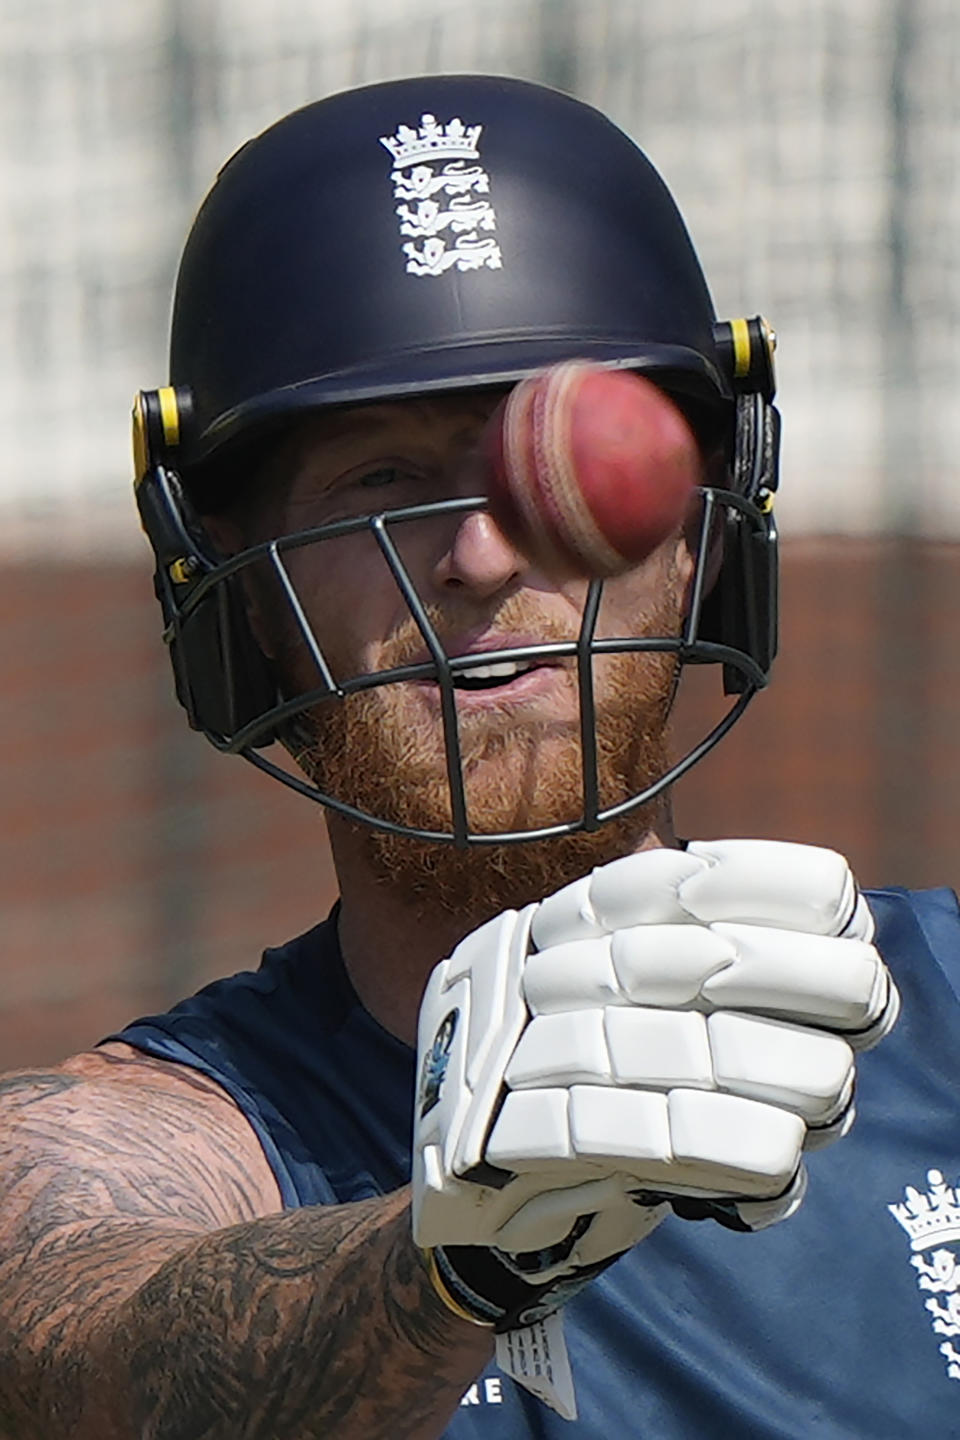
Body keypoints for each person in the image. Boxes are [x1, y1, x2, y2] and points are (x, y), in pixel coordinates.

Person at [0, 73, 957, 1440]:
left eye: (561, 463)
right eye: (378, 481)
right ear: (242, 602)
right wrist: (449, 1258)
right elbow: (103, 1347)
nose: (482, 558)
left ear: (700, 541)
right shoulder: (136, 1146)